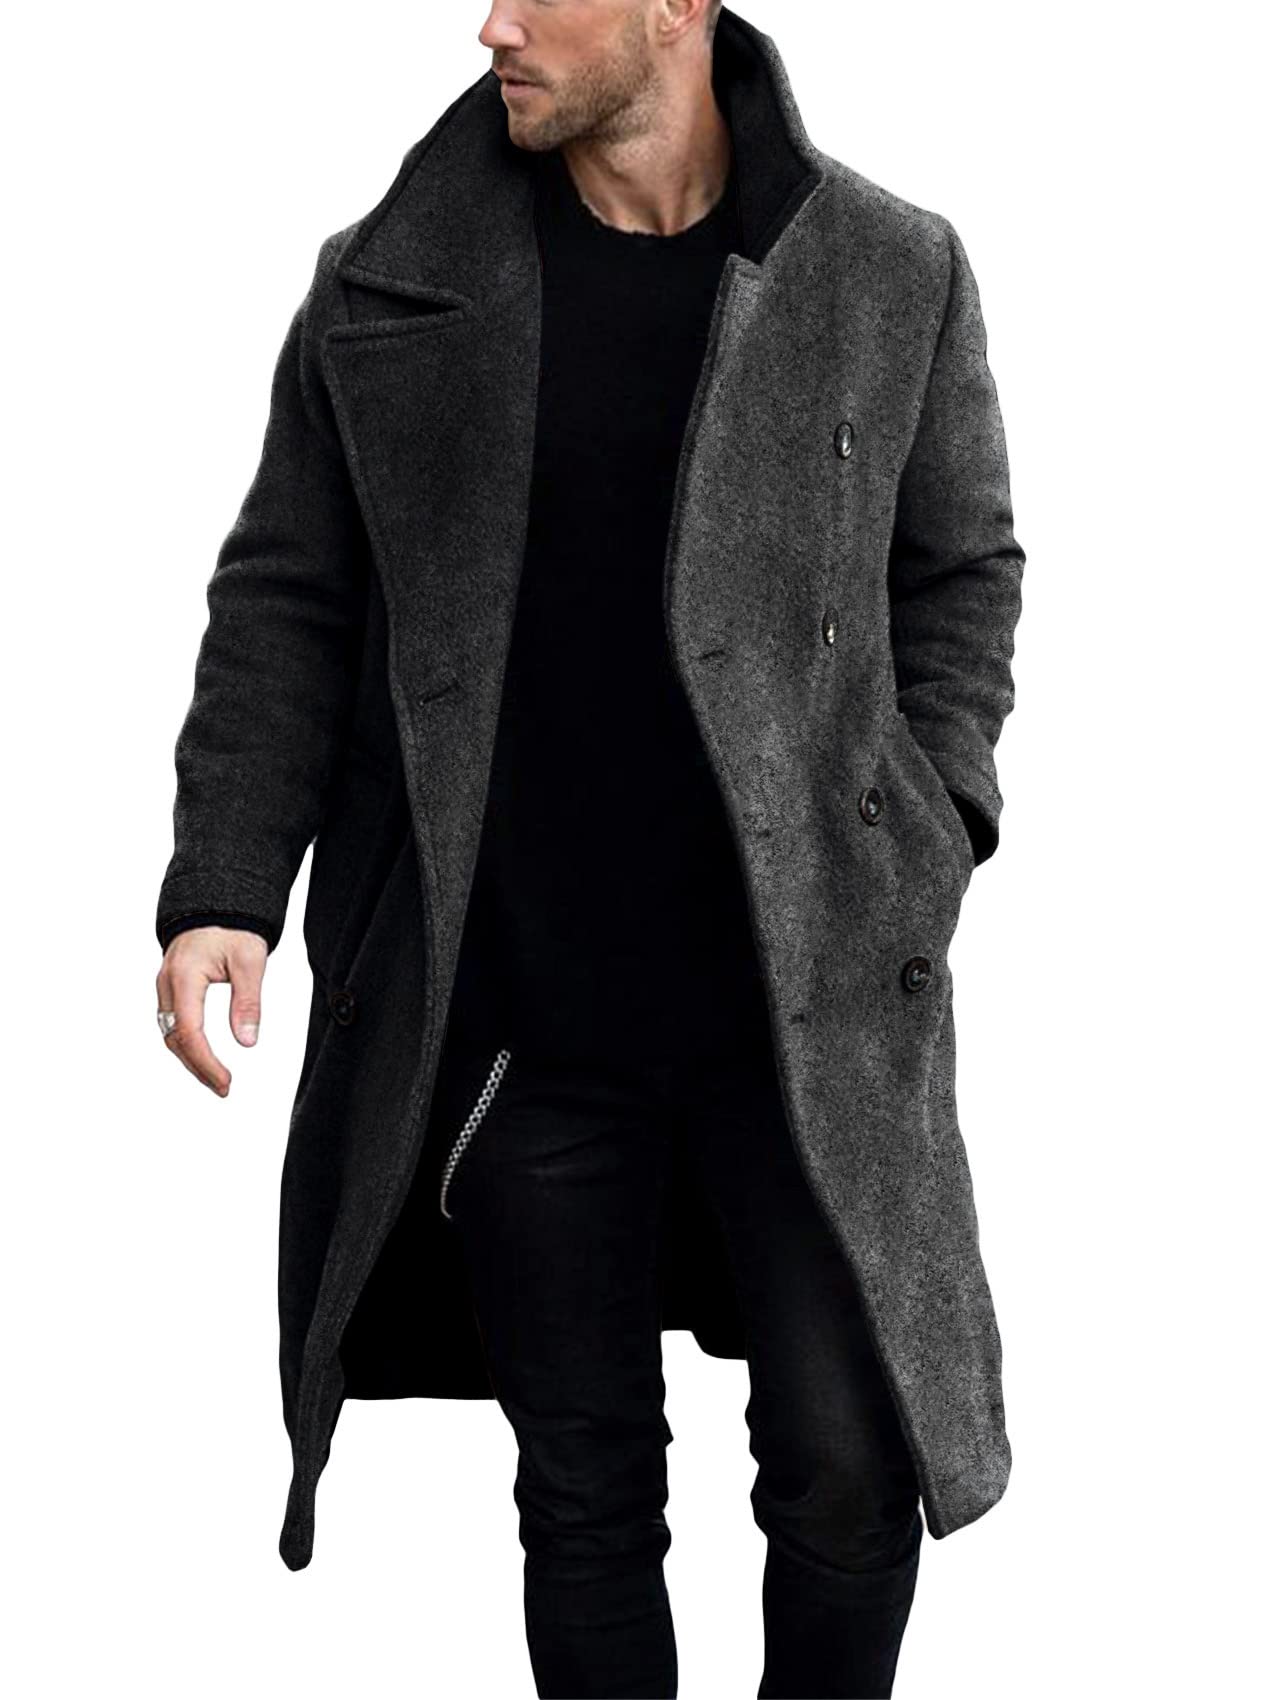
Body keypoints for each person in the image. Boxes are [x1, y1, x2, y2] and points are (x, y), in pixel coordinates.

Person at [155, 4, 1025, 1696]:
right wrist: (225, 890)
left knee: (855, 1473)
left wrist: (932, 820)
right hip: (522, 1020)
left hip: (805, 1021)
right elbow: (288, 600)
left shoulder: (887, 270)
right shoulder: (391, 288)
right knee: (585, 1496)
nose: (492, 23)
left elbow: (961, 573)